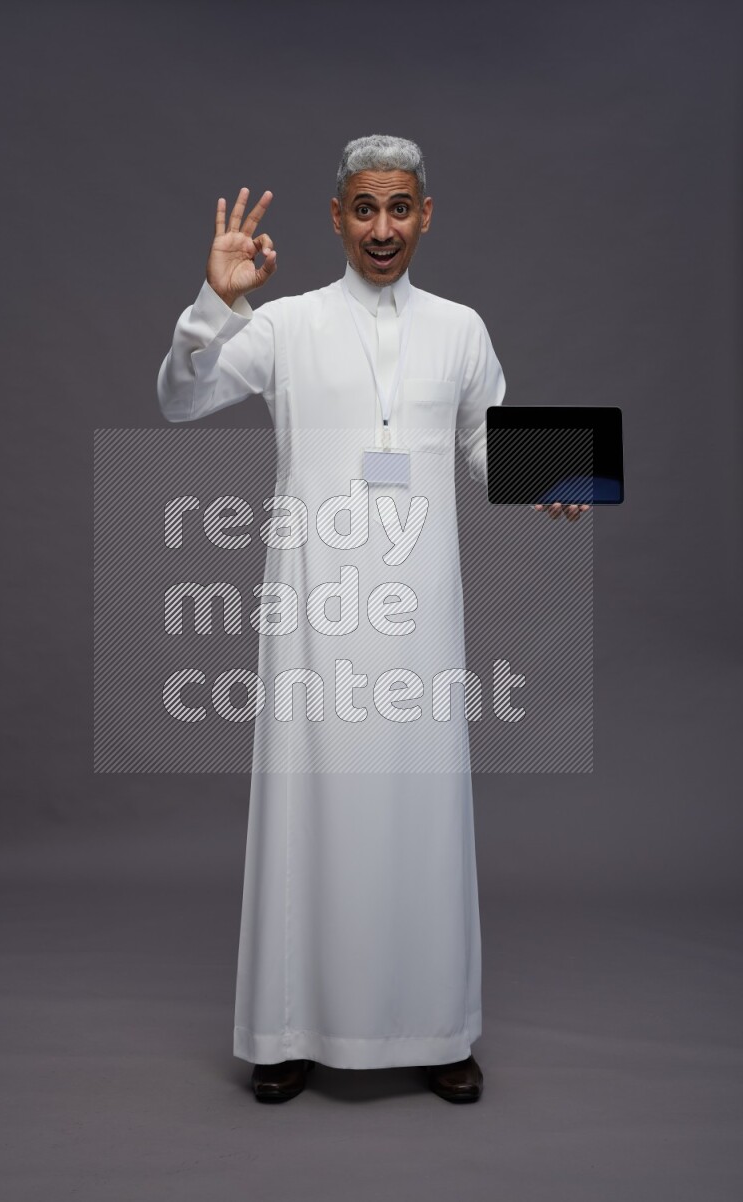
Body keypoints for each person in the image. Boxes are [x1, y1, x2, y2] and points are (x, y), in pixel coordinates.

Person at [157, 134, 587, 1105]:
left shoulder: (460, 328)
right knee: (309, 806)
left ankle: (436, 1025)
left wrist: (552, 472)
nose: (381, 228)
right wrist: (216, 302)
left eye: (399, 208)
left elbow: (482, 444)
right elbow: (179, 399)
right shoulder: (287, 327)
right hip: (314, 613)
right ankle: (287, 1029)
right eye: (363, 208)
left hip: (418, 617)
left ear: (425, 214)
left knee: (420, 811)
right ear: (336, 217)